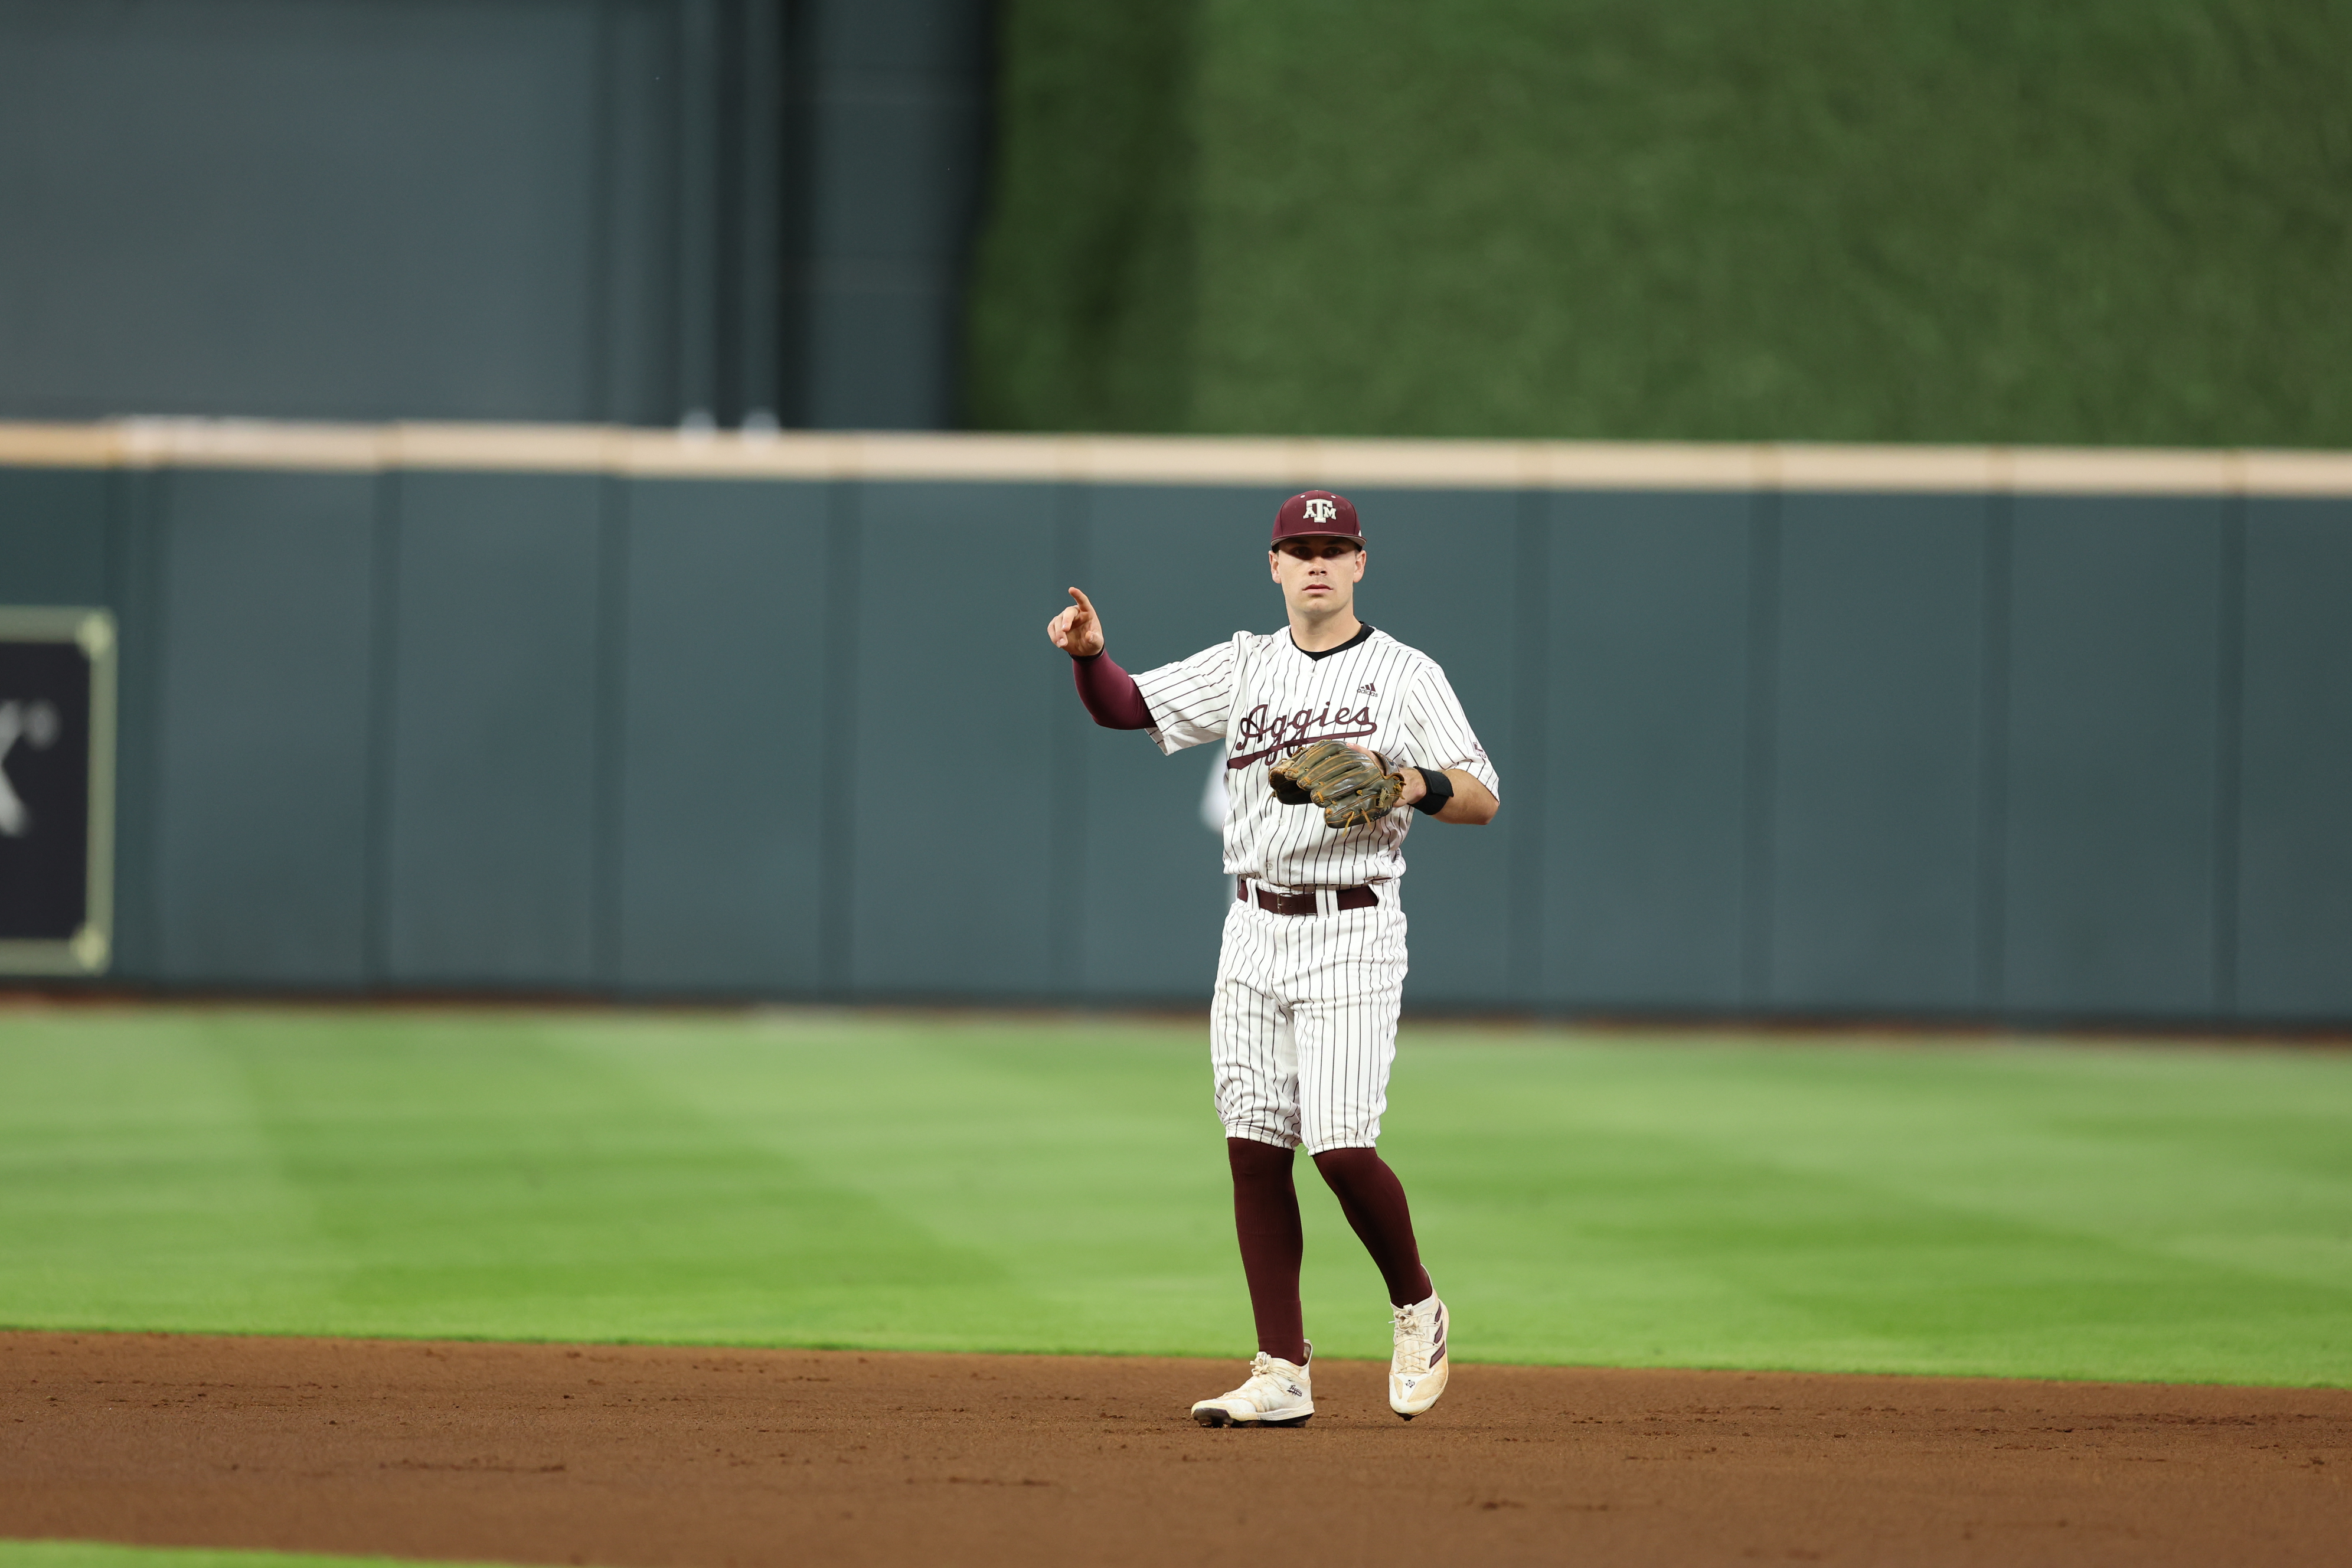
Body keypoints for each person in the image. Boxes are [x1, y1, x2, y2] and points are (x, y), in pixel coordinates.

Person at [1045, 489, 1500, 1427]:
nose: (1319, 562)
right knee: (1255, 1150)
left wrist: (1409, 781)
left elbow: (1484, 795)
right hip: (1252, 925)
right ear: (1276, 565)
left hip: (1353, 924)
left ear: (1362, 563)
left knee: (1339, 1150)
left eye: (1336, 548)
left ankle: (1417, 1307)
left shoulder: (1406, 674)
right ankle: (1280, 1370)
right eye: (1302, 548)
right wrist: (1091, 658)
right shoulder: (1246, 665)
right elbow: (1126, 708)